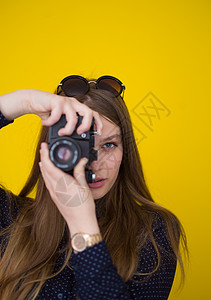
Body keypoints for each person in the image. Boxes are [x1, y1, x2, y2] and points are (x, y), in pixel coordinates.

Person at [0, 75, 188, 300]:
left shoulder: (153, 232)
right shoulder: (12, 219)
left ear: (125, 151)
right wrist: (23, 101)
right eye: (80, 145)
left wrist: (83, 227)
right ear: (51, 149)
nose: (94, 163)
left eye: (109, 144)